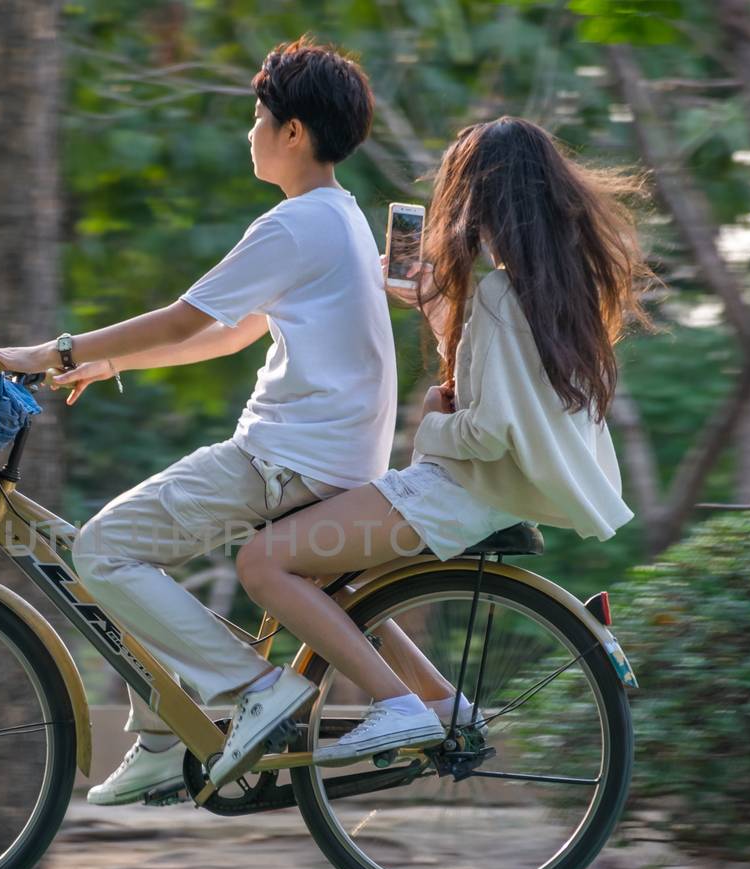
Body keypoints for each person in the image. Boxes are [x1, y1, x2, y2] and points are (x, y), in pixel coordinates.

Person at [0, 37, 397, 800]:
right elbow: (231, 330)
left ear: (293, 133)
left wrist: (50, 350)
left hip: (286, 459)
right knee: (128, 556)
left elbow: (179, 319)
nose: (250, 131)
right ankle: (166, 735)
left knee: (103, 550)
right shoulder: (340, 218)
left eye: (258, 116)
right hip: (327, 457)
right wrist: (112, 362)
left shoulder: (295, 225)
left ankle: (251, 691)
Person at [235, 116, 652, 765]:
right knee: (322, 572)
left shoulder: (496, 296)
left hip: (460, 493)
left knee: (263, 563)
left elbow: (484, 431)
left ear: (478, 201)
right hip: (491, 494)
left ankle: (397, 706)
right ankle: (437, 702)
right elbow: (501, 398)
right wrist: (434, 311)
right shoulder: (554, 290)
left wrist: (430, 417)